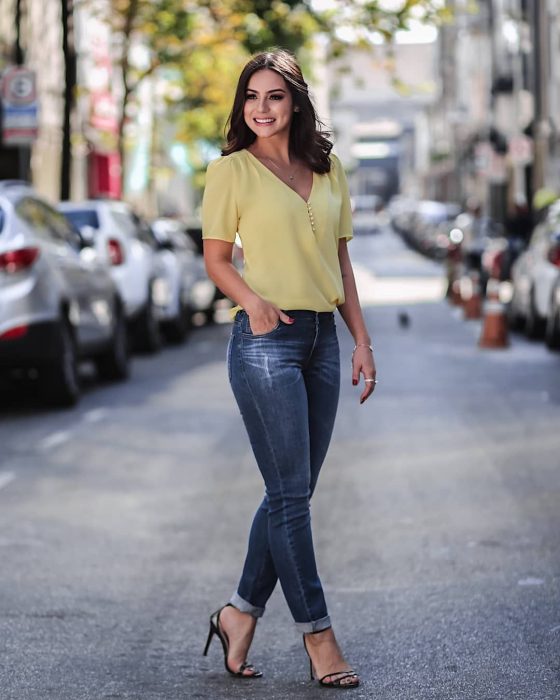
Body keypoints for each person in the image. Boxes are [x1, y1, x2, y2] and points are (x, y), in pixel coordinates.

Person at [201, 49, 376, 690]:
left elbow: (341, 263)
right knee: (291, 496)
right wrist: (253, 302)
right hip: (265, 340)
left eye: (274, 96)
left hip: (323, 341)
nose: (262, 108)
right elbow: (217, 260)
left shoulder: (328, 171)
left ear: (295, 102)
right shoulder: (231, 173)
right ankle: (320, 637)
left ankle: (238, 614)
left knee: (290, 493)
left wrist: (361, 340)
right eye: (251, 96)